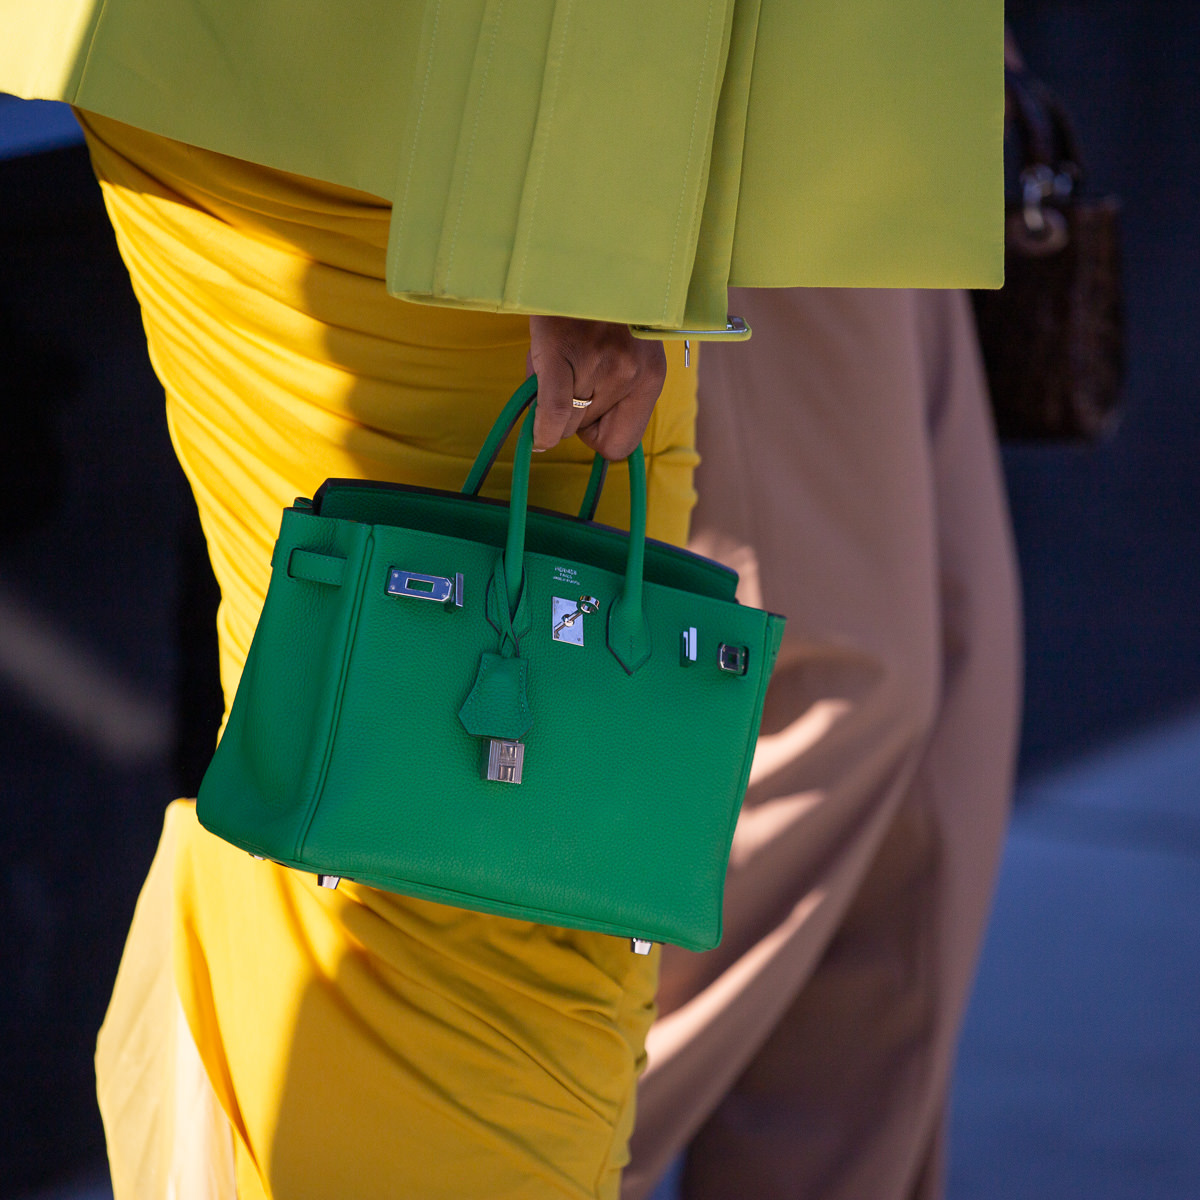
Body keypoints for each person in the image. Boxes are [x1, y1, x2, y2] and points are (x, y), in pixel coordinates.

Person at [1, 7, 1005, 1197]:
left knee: (352, 814)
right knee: (470, 924)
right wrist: (586, 234)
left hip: (296, 81)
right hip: (465, 118)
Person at [623, 287, 1021, 1199]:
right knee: (829, 704)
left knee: (931, 791)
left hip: (903, 181)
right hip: (774, 192)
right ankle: (504, 1147)